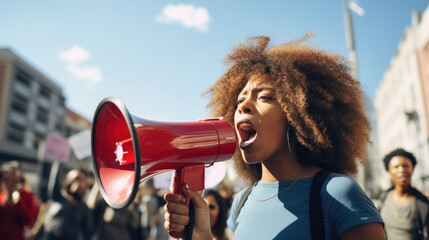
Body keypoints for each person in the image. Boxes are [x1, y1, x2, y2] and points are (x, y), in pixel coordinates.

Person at [162, 34, 385, 240]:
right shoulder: (242, 202)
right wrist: (203, 237)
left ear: (297, 112)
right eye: (239, 101)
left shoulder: (337, 193)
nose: (244, 106)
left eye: (265, 97)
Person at [379, 148, 429, 240]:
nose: (401, 170)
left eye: (405, 166)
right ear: (388, 171)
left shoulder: (423, 203)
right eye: (396, 167)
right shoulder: (383, 198)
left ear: (412, 169)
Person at [35, 169, 93, 240]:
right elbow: (55, 176)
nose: (76, 182)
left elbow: (88, 233)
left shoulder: (84, 209)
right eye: (74, 179)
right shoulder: (57, 197)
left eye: (79, 179)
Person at [0, 161, 38, 240]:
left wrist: (15, 197)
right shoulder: (2, 194)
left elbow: (28, 220)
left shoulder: (26, 195)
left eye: (15, 172)